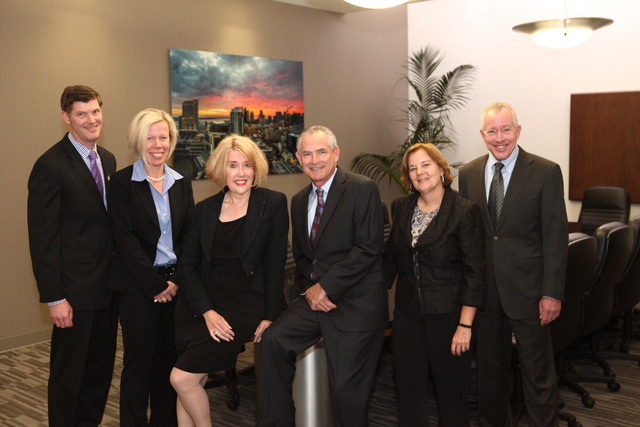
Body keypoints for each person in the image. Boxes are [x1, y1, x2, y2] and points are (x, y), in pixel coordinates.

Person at [259, 125, 388, 427]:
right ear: (298, 158)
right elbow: (305, 256)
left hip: (356, 303)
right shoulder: (299, 200)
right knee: (272, 342)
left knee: (346, 393)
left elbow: (369, 248)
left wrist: (327, 287)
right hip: (316, 300)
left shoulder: (362, 188)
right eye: (307, 153)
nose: (314, 160)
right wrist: (316, 289)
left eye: (321, 152)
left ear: (336, 153)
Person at [458, 102, 568, 427]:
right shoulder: (468, 173)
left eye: (506, 129)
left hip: (531, 295)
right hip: (487, 295)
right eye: (492, 131)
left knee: (538, 377)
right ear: (482, 135)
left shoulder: (546, 171)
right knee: (490, 377)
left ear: (518, 131)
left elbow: (555, 239)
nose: (500, 137)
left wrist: (552, 293)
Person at [169, 135, 289, 427]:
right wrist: (206, 310)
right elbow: (187, 266)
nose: (241, 173)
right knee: (188, 383)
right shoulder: (204, 210)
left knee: (181, 378)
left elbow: (276, 264)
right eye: (233, 165)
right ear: (221, 170)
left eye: (247, 165)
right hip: (200, 305)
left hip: (243, 304)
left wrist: (272, 314)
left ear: (256, 169)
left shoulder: (272, 203)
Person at [27, 85, 118, 426]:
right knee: (68, 377)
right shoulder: (49, 166)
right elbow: (43, 239)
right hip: (73, 294)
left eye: (95, 111)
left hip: (107, 290)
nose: (91, 119)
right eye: (82, 114)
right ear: (66, 118)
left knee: (99, 372)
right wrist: (54, 298)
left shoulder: (107, 159)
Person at [384, 143, 485, 426]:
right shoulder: (402, 206)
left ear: (441, 169)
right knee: (408, 392)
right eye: (413, 168)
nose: (419, 172)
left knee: (451, 396)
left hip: (450, 318)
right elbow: (390, 260)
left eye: (426, 165)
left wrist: (465, 326)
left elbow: (475, 272)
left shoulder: (464, 211)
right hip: (407, 316)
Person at [108, 108, 194, 426]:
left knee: (167, 365)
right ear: (137, 141)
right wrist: (156, 285)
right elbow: (124, 241)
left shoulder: (181, 183)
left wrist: (176, 281)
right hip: (137, 288)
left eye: (163, 137)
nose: (157, 144)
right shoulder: (121, 183)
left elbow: (189, 237)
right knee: (138, 365)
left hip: (176, 287)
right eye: (150, 137)